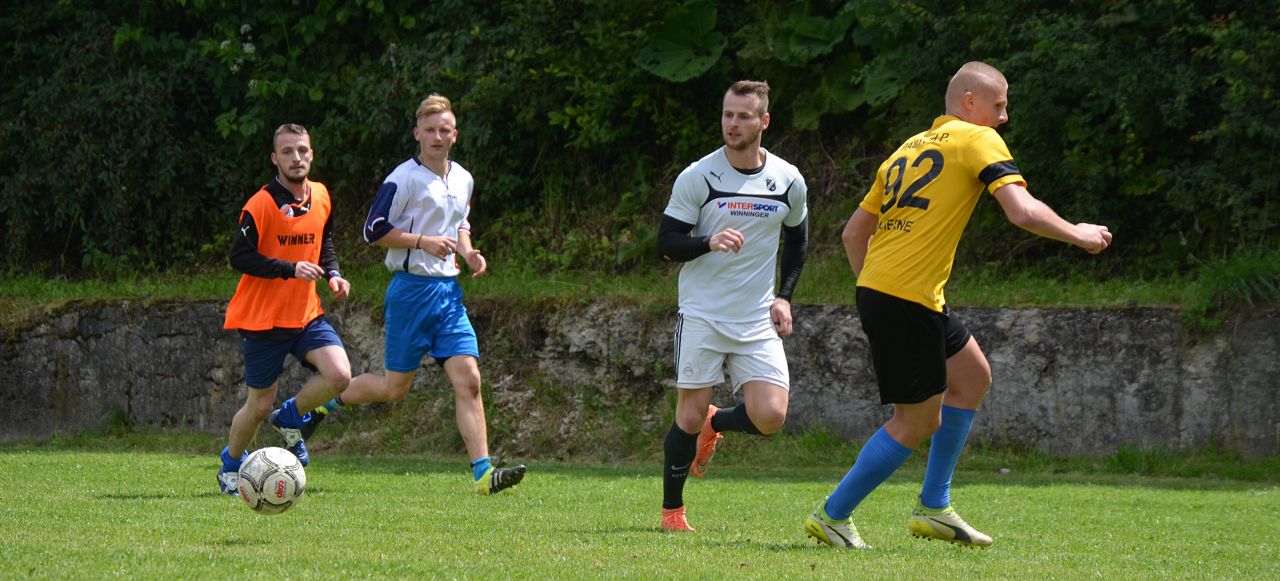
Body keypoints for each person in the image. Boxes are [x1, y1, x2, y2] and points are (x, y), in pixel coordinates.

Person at [804, 61, 1113, 549]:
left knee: (972, 377)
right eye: (999, 105)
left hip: (896, 291)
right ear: (970, 102)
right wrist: (1078, 233)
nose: (1004, 117)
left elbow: (852, 233)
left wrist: (875, 289)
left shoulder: (909, 147)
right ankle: (833, 515)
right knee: (917, 421)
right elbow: (1021, 210)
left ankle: (934, 506)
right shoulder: (977, 138)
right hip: (905, 296)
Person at [302, 94, 526, 496]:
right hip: (410, 291)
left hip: (448, 294)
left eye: (444, 130)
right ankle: (321, 404)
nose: (437, 136)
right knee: (395, 389)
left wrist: (468, 253)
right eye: (430, 130)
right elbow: (373, 230)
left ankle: (483, 474)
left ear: (455, 135)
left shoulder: (463, 178)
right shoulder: (402, 178)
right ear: (417, 134)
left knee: (469, 379)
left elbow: (460, 224)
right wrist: (422, 241)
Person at [656, 80, 810, 532]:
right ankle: (672, 513)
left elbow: (798, 241)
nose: (733, 123)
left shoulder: (788, 180)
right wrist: (707, 241)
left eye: (744, 116)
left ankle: (717, 422)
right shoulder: (699, 176)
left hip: (756, 317)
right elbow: (666, 243)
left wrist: (784, 296)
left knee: (771, 416)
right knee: (687, 415)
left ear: (764, 121)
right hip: (702, 313)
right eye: (728, 114)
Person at [217, 123, 354, 496]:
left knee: (340, 375)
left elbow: (324, 241)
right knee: (259, 405)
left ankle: (291, 418)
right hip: (263, 320)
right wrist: (289, 268)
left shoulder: (321, 195)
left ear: (312, 154)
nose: (297, 158)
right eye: (288, 151)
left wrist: (334, 274)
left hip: (306, 314)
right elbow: (239, 256)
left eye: (302, 150)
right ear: (274, 159)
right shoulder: (261, 204)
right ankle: (231, 465)